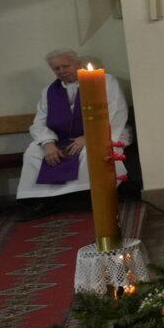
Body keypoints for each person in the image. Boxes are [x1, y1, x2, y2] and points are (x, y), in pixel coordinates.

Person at [16, 49, 131, 212]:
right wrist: (48, 143)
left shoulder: (105, 81)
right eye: (56, 68)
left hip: (100, 133)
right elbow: (39, 122)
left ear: (78, 63)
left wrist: (89, 137)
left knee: (91, 152)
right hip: (62, 137)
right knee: (33, 153)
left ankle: (91, 197)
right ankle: (42, 201)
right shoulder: (49, 91)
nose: (61, 71)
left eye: (65, 66)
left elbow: (116, 112)